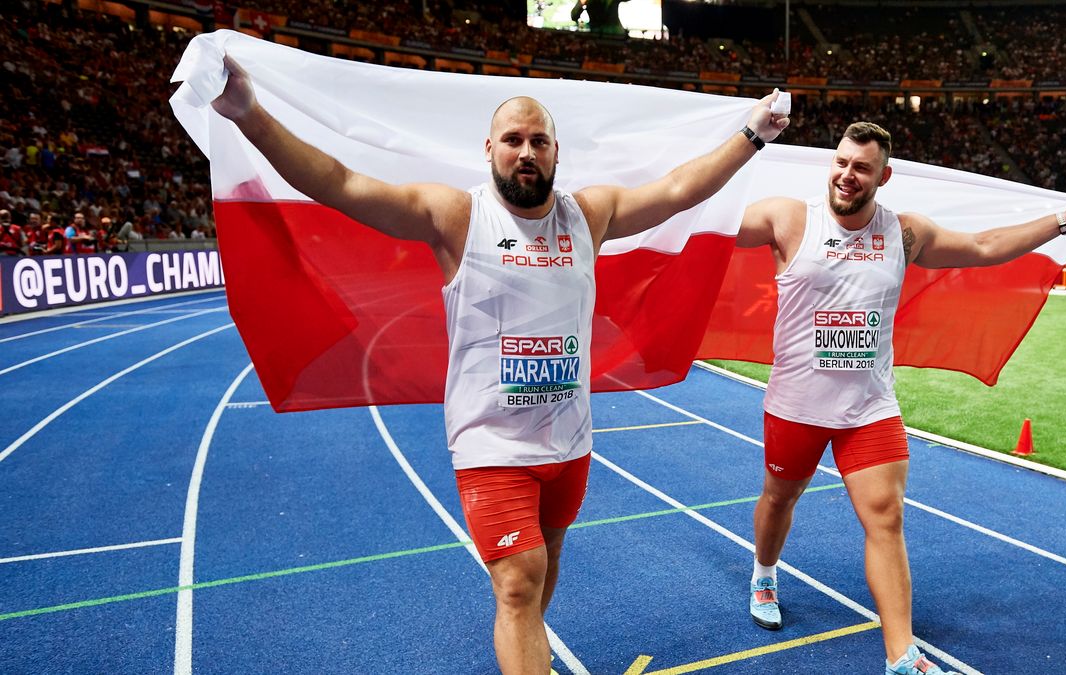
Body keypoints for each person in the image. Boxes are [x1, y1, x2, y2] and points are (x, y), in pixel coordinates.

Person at [212, 55, 788, 674]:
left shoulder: (588, 216)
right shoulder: (456, 216)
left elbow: (681, 190)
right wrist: (249, 114)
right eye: (513, 140)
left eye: (538, 141)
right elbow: (339, 183)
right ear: (489, 149)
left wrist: (754, 134)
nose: (526, 151)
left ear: (556, 153)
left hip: (569, 443)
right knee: (518, 581)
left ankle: (525, 651)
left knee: (538, 582)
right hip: (490, 445)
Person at [735, 122, 1066, 675]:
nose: (847, 175)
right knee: (780, 499)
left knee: (886, 518)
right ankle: (765, 571)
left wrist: (1059, 221)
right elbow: (699, 221)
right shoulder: (788, 218)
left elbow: (982, 247)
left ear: (884, 175)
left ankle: (901, 657)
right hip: (796, 405)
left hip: (869, 408)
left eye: (861, 167)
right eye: (841, 162)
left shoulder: (905, 233)